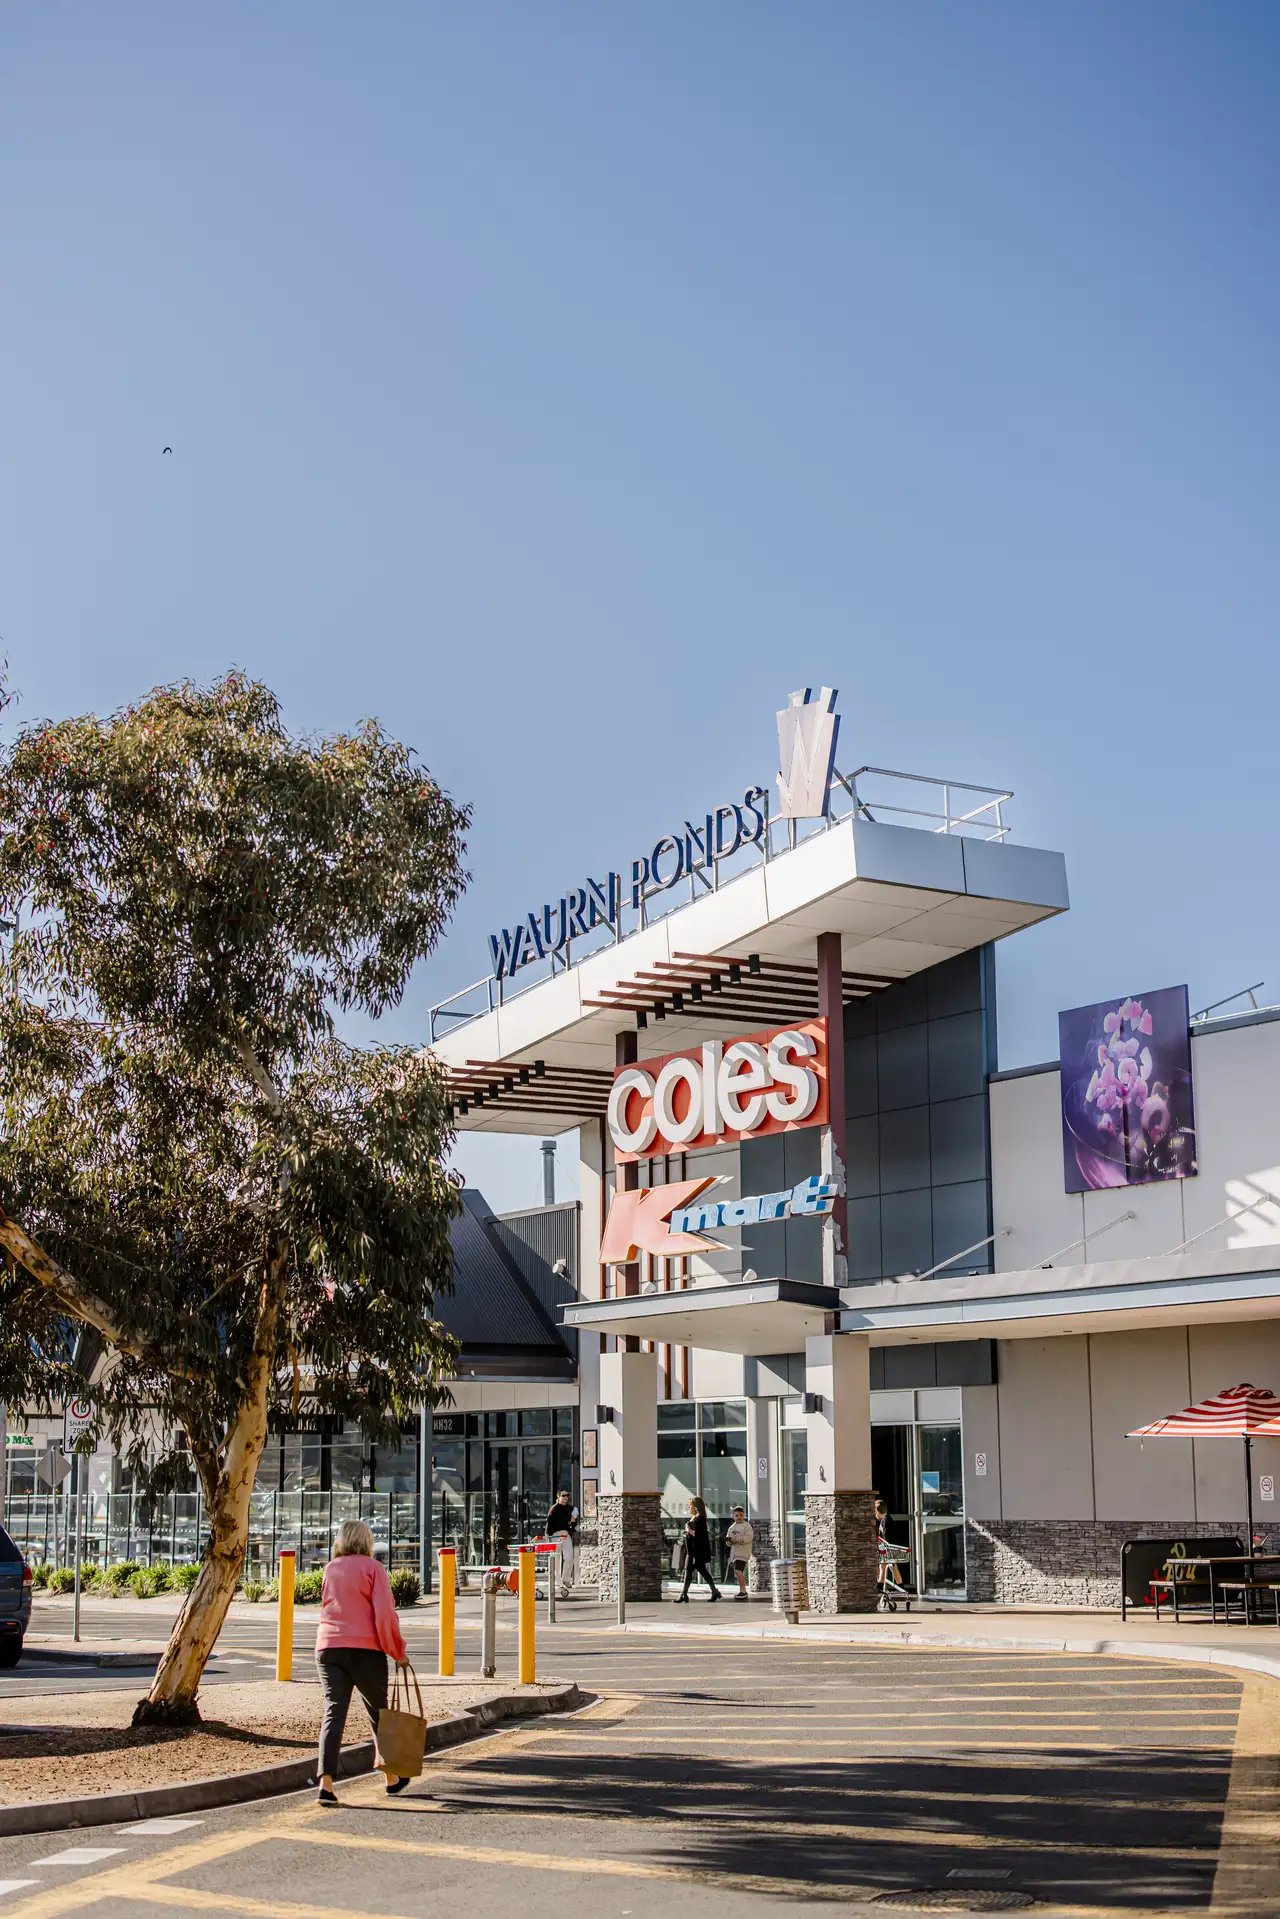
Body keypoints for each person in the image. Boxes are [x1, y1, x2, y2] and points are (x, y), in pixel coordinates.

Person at [314, 1519, 411, 1806]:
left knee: (334, 1713)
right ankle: (391, 1779)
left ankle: (325, 1784)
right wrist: (397, 1650)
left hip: (329, 1648)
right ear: (367, 1541)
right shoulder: (373, 1569)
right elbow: (384, 1613)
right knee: (379, 1714)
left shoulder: (330, 1569)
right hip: (365, 1650)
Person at [674, 1495, 720, 1602]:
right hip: (692, 1550)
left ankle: (685, 1594)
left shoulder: (700, 1518)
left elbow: (699, 1534)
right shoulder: (696, 1517)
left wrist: (687, 1529)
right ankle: (685, 1594)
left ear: (696, 1507)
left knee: (695, 1570)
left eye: (690, 1506)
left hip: (696, 1550)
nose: (689, 1508)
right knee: (691, 1570)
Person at [545, 1489, 578, 1597]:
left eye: (567, 1496)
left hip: (565, 1534)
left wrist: (573, 1521)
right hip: (555, 1535)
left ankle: (565, 1579)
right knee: (556, 1559)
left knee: (569, 1556)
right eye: (563, 1495)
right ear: (558, 1497)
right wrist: (547, 1536)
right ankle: (556, 1581)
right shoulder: (554, 1508)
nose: (566, 1498)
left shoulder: (570, 1508)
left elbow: (573, 1521)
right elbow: (549, 1522)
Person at [724, 1506, 753, 1601]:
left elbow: (749, 1537)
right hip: (735, 1553)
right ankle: (742, 1590)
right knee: (738, 1571)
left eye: (741, 1515)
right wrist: (729, 1541)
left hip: (743, 1553)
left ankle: (743, 1591)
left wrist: (737, 1539)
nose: (739, 1517)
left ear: (744, 1515)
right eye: (736, 1515)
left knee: (738, 1571)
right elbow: (728, 1540)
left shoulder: (747, 1526)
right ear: (733, 1516)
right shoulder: (731, 1527)